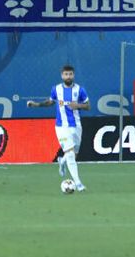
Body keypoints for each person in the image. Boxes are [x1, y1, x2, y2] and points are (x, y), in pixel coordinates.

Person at [27, 64, 90, 192]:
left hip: (76, 126)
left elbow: (88, 106)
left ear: (73, 75)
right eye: (66, 74)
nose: (68, 76)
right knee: (71, 154)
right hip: (61, 127)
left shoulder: (80, 90)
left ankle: (62, 161)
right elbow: (50, 102)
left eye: (70, 74)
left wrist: (77, 105)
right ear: (62, 76)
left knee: (74, 154)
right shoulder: (56, 89)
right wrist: (36, 104)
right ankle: (78, 184)